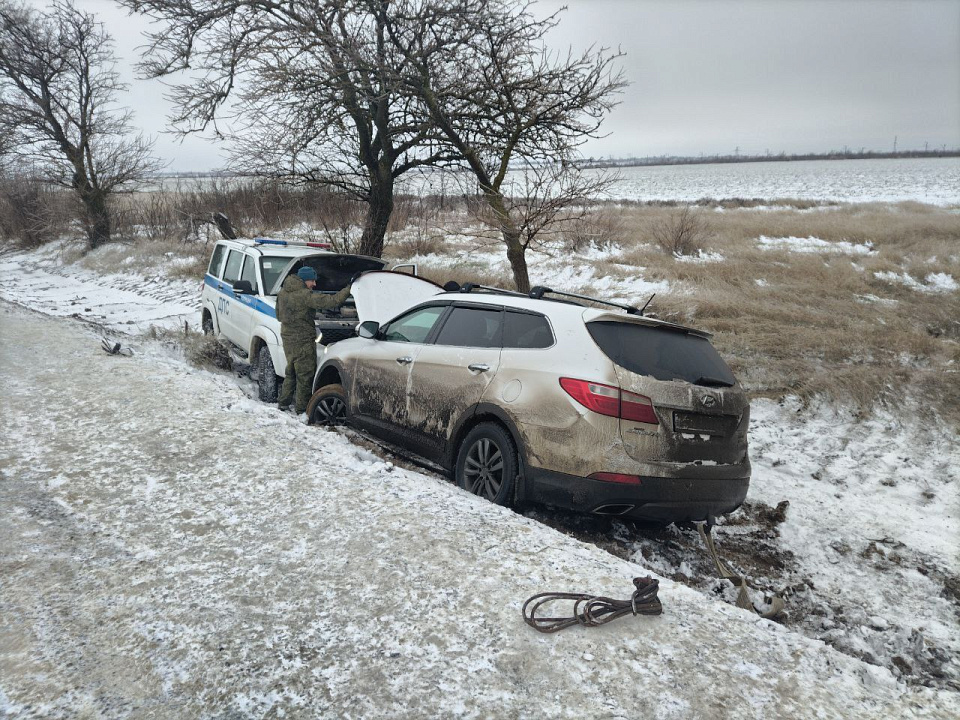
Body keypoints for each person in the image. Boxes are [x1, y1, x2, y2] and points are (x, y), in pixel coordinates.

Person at [276, 266, 351, 416]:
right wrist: (349, 288)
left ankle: (283, 403)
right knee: (305, 375)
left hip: (288, 337)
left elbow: (278, 315)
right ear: (304, 280)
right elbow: (333, 301)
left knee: (291, 372)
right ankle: (303, 411)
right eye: (312, 281)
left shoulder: (283, 292)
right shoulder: (304, 295)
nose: (314, 284)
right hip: (303, 339)